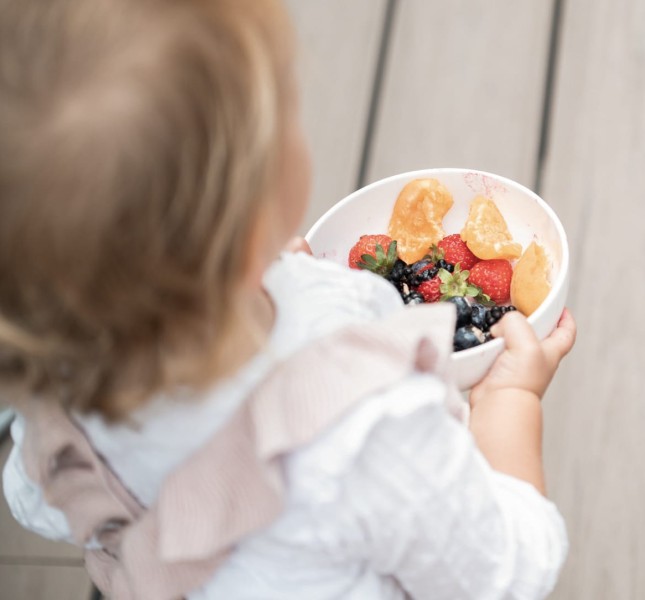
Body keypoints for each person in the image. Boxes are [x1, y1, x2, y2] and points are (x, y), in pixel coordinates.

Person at [0, 0, 576, 598]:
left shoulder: (53, 393)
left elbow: (34, 499)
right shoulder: (361, 429)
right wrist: (510, 399)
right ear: (254, 220)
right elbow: (510, 568)